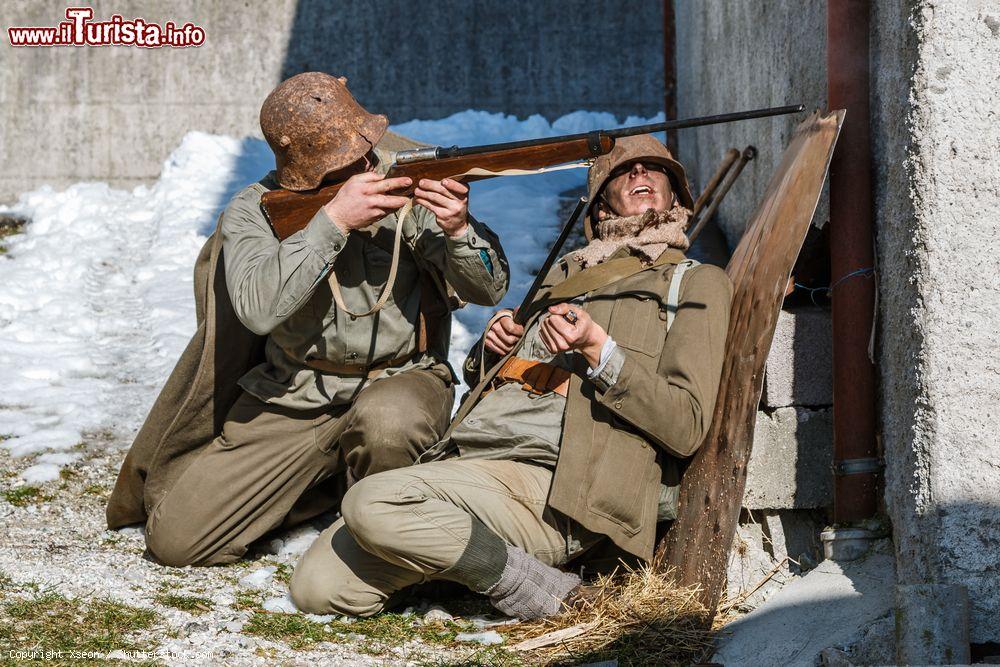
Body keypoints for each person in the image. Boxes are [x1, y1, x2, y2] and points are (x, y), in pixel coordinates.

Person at [289, 134, 733, 619]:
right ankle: (466, 564)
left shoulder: (693, 282)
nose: (640, 175)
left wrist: (598, 349)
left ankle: (543, 590)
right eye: (623, 172)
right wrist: (493, 348)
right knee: (317, 588)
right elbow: (499, 383)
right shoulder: (564, 275)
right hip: (474, 463)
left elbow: (686, 424)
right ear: (600, 207)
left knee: (371, 500)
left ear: (676, 195)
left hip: (558, 484)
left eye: (655, 170)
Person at [105, 72, 509, 567]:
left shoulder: (408, 180)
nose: (365, 163)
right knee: (176, 540)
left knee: (387, 425)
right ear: (306, 167)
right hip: (295, 392)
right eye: (345, 159)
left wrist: (458, 228)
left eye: (365, 148)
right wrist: (333, 223)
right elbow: (257, 310)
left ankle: (386, 530)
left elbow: (488, 290)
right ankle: (328, 485)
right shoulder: (254, 211)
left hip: (400, 381)